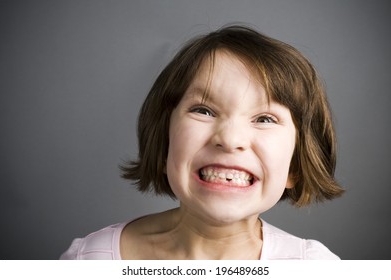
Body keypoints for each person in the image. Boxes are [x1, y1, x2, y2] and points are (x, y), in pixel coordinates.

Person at [60, 25, 344, 260]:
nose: (230, 140)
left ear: (295, 166)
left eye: (265, 118)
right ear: (163, 145)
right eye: (204, 111)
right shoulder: (88, 259)